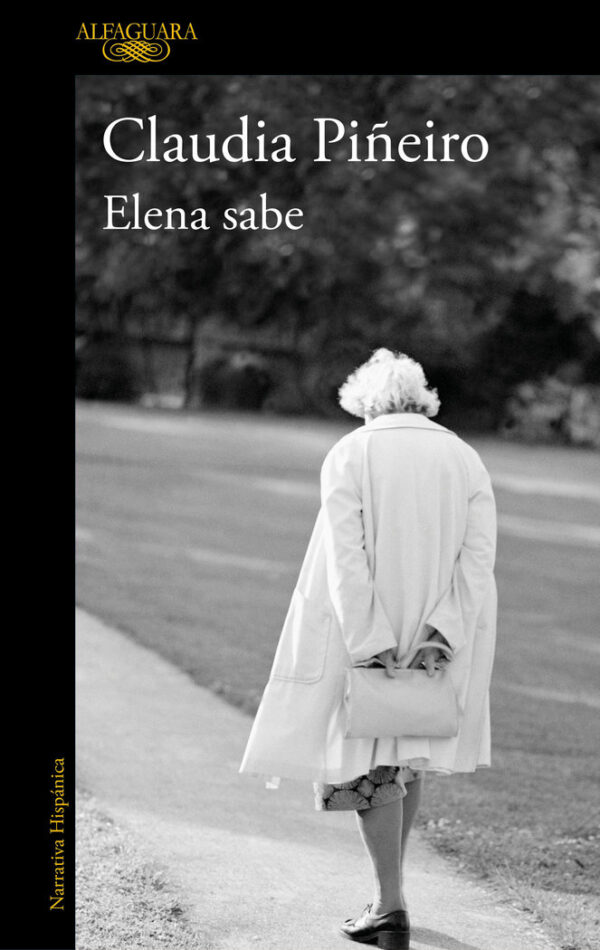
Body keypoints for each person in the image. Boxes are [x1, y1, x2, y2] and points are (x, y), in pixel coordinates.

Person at [239, 348, 497, 948]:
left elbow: (344, 556)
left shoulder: (352, 452)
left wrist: (369, 639)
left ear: (366, 404)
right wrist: (445, 630)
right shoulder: (465, 457)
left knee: (363, 764)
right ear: (421, 400)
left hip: (363, 634)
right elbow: (478, 555)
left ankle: (388, 906)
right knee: (406, 754)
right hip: (434, 640)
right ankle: (390, 896)